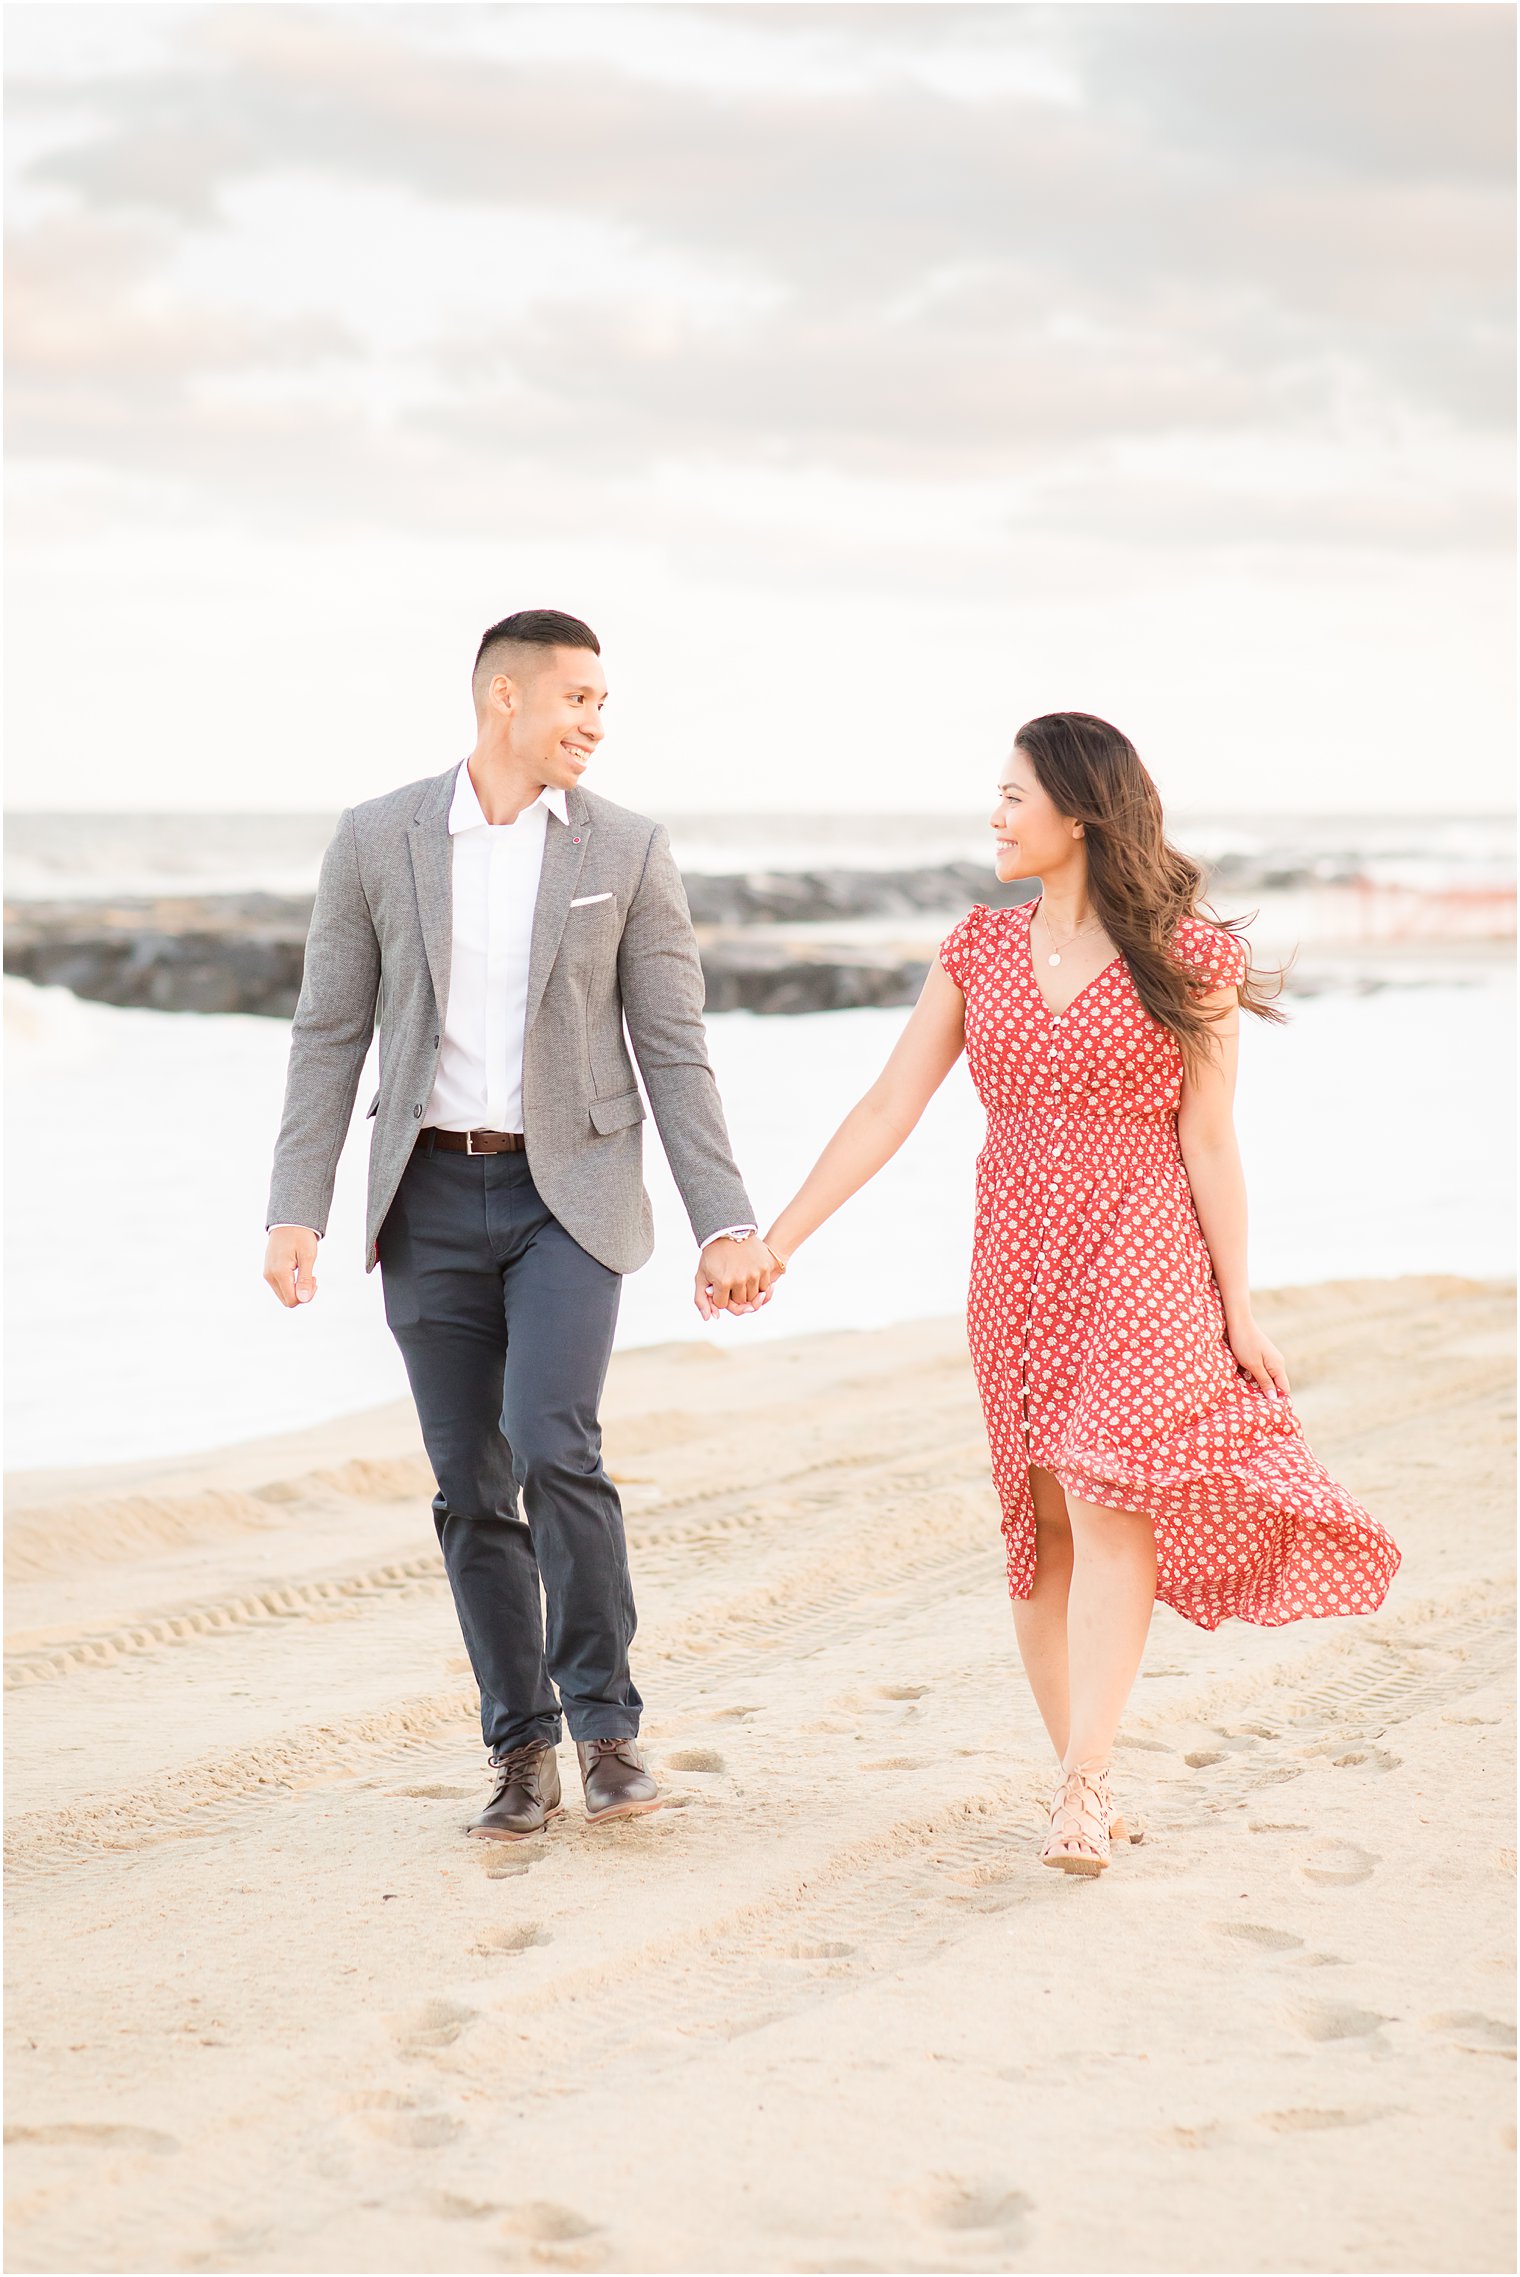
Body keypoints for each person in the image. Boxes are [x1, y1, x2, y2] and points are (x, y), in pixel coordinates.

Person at [749, 710, 1400, 1875]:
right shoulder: (977, 949)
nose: (993, 817)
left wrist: (1236, 1303)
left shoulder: (1190, 959)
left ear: (1076, 810)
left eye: (1010, 796)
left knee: (1108, 1502)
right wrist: (778, 1241)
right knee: (1040, 1522)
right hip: (1013, 1265)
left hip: (1145, 1255)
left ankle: (1083, 1788)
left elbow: (1208, 1140)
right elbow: (886, 1108)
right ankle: (1078, 1776)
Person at [263, 608, 778, 1841]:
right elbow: (329, 1032)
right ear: (505, 697)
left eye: (603, 703)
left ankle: (604, 1723)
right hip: (427, 1197)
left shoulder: (629, 848)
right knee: (466, 1486)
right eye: (579, 699)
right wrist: (297, 1208)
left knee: (555, 1445)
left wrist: (723, 1221)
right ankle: (518, 1750)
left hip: (571, 1197)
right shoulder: (376, 838)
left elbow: (672, 1045)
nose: (595, 722)